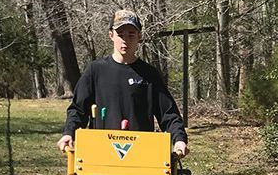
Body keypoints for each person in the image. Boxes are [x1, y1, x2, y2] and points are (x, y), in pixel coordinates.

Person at [57, 10, 189, 156]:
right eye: (120, 34)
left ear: (139, 36)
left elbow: (168, 114)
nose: (125, 40)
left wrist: (179, 140)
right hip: (100, 153)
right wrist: (69, 133)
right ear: (111, 35)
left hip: (141, 155)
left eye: (131, 34)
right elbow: (78, 109)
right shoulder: (96, 70)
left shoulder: (149, 74)